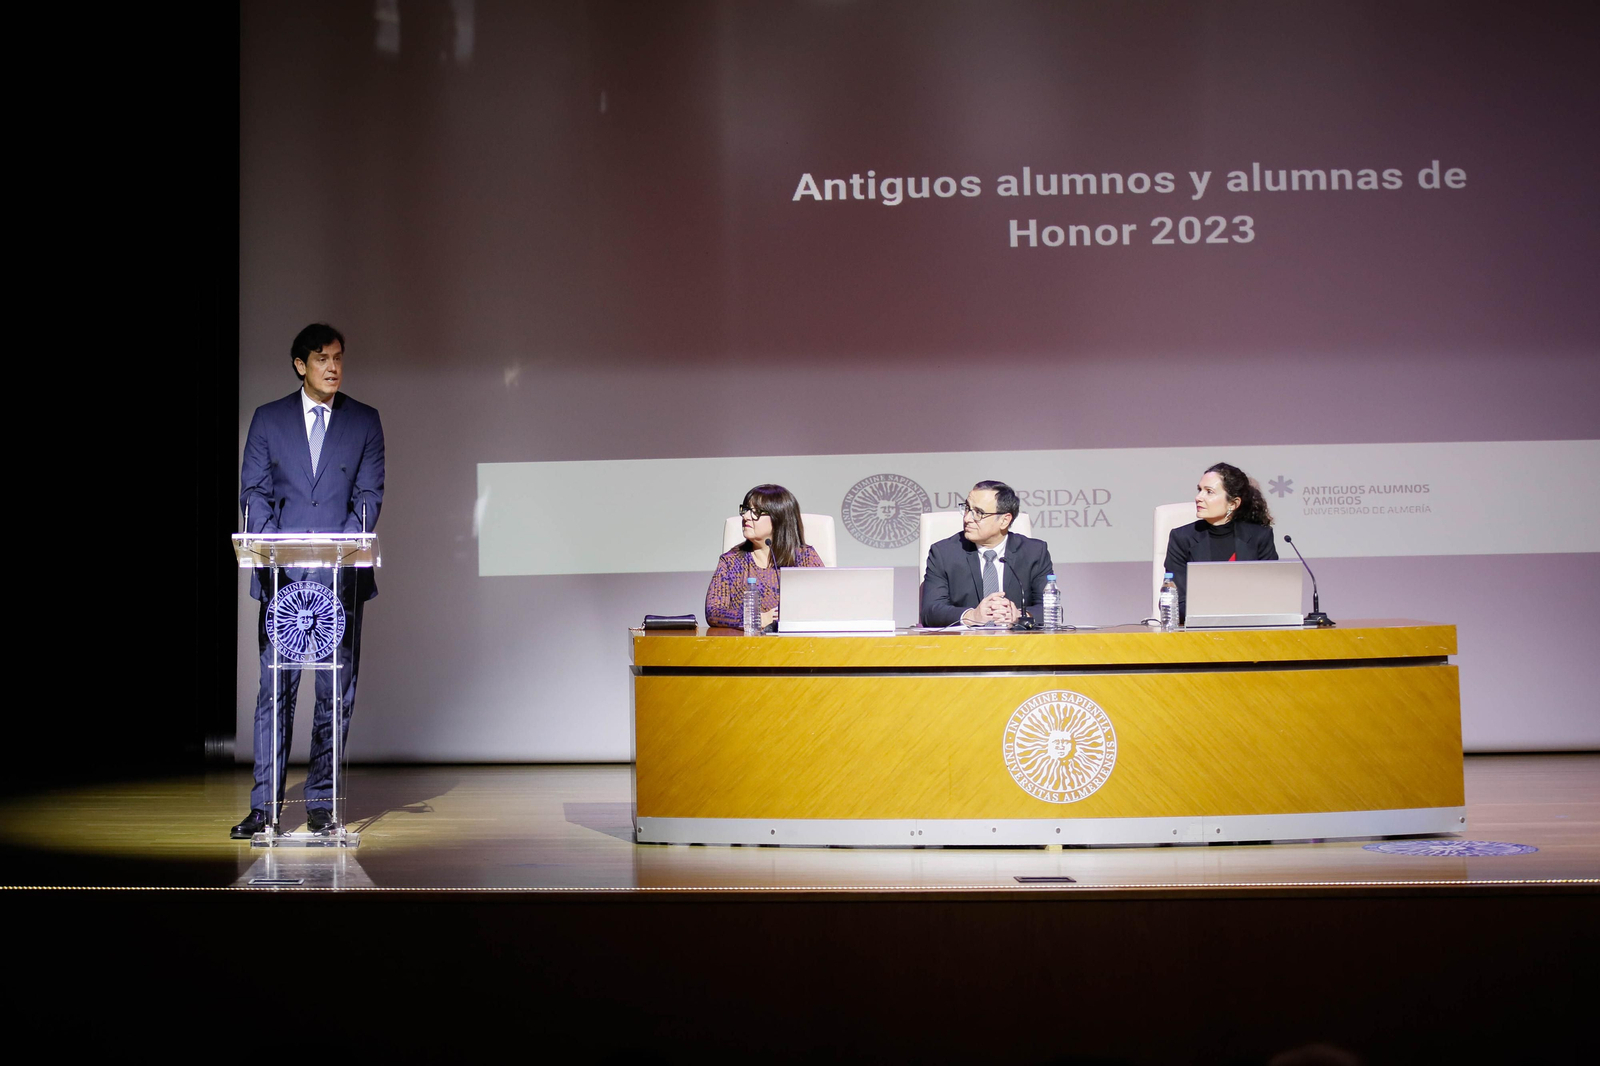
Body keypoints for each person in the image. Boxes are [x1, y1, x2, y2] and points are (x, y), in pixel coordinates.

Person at [232, 323, 385, 838]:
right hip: (283, 579)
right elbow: (253, 491)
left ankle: (321, 804)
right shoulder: (268, 420)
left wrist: (330, 554)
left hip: (338, 581)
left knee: (333, 694)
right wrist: (283, 552)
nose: (333, 367)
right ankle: (264, 807)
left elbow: (368, 498)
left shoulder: (364, 421)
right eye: (323, 358)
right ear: (301, 364)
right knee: (275, 691)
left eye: (339, 357)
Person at [921, 480, 1055, 627]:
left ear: (1004, 520)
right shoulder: (944, 553)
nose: (967, 519)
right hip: (964, 645)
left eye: (978, 513)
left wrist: (1020, 616)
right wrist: (971, 616)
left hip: (1019, 646)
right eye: (967, 509)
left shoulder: (1034, 552)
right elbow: (930, 611)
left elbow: (1051, 610)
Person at [1164, 461, 1277, 621]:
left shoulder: (1260, 536)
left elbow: (1272, 596)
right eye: (1199, 490)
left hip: (1250, 629)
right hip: (1199, 632)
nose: (1198, 497)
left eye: (1209, 492)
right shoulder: (1182, 538)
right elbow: (1177, 602)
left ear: (1233, 503)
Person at [705, 485, 824, 629]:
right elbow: (713, 612)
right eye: (746, 510)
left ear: (778, 518)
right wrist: (755, 619)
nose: (745, 517)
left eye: (756, 512)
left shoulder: (805, 558)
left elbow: (825, 605)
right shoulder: (731, 561)